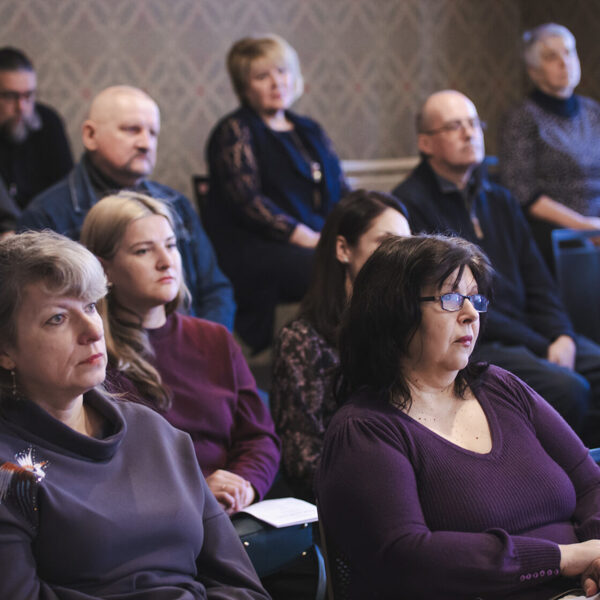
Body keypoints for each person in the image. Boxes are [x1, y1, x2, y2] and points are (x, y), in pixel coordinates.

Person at [316, 234, 600, 600]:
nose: (470, 314)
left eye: (475, 298)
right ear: (394, 311)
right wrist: (563, 559)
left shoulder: (500, 386)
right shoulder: (365, 430)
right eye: (450, 299)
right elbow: (408, 558)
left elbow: (591, 484)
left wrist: (595, 556)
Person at [0, 230, 269, 599]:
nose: (92, 330)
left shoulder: (151, 429)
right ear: (5, 351)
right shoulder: (8, 468)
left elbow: (243, 586)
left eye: (90, 306)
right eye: (57, 318)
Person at [392, 89, 600, 439]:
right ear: (426, 143)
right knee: (568, 389)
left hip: (532, 336)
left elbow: (539, 282)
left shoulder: (501, 198)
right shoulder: (411, 205)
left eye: (474, 123)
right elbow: (456, 306)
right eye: (455, 126)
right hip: (474, 339)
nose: (469, 133)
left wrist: (561, 334)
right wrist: (543, 345)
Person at [80, 191, 280, 514]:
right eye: (143, 250)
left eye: (171, 245)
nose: (166, 261)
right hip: (153, 519)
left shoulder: (215, 338)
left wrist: (244, 485)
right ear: (105, 270)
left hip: (234, 512)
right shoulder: (93, 354)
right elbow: (106, 469)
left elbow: (259, 438)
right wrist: (198, 490)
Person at [18, 85, 235, 330]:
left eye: (153, 133)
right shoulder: (46, 215)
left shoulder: (176, 204)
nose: (146, 143)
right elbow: (45, 314)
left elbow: (216, 289)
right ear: (90, 135)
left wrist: (205, 341)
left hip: (186, 338)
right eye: (132, 130)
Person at [206, 34, 349, 352]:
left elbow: (341, 189)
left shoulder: (309, 129)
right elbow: (247, 202)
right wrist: (306, 237)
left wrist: (357, 229)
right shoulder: (235, 130)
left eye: (282, 71)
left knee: (372, 256)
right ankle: (327, 360)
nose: (276, 82)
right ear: (244, 87)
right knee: (333, 267)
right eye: (262, 76)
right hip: (259, 247)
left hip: (316, 239)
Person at [270, 190, 410, 500]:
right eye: (387, 244)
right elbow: (302, 462)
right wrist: (387, 483)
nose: (401, 258)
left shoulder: (409, 329)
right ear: (344, 249)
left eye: (407, 246)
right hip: (353, 496)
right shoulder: (302, 340)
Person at [499, 23, 600, 265]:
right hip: (555, 231)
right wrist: (583, 226)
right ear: (534, 71)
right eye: (551, 57)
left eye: (569, 52)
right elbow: (522, 194)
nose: (564, 62)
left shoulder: (593, 111)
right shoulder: (522, 117)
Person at [0, 47, 73, 233]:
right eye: (10, 96)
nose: (21, 107)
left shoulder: (49, 122)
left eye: (28, 95)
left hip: (45, 230)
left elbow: (66, 190)